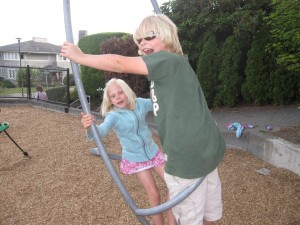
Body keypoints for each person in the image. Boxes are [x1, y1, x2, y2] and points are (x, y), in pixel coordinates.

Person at [61, 14, 226, 225]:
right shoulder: (173, 69)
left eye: (149, 37)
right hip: (206, 150)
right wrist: (90, 128)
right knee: (207, 213)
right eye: (139, 40)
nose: (143, 43)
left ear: (167, 36)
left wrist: (81, 57)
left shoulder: (167, 61)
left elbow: (119, 63)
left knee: (189, 213)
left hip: (187, 157)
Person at [81, 78, 176, 225]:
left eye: (120, 92)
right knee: (154, 193)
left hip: (153, 152)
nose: (118, 97)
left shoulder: (138, 103)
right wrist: (90, 127)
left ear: (127, 92)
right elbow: (100, 133)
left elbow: (158, 103)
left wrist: (167, 93)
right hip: (136, 158)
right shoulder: (113, 116)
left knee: (175, 185)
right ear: (110, 100)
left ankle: (172, 222)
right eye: (113, 96)